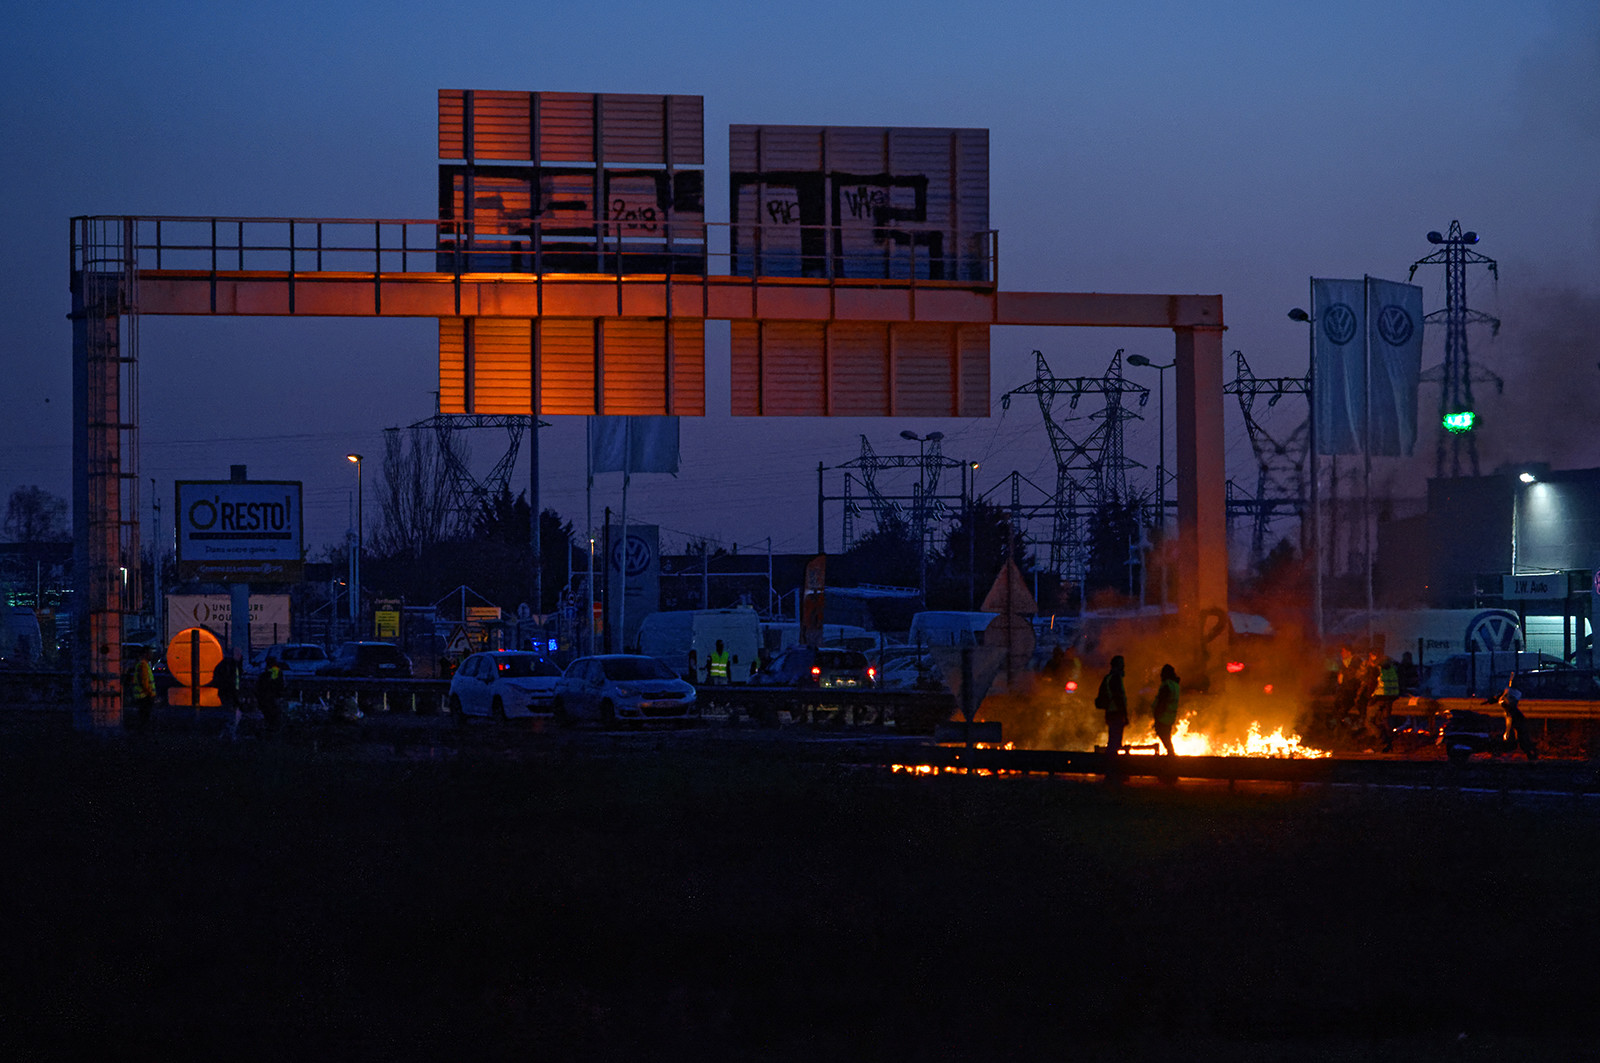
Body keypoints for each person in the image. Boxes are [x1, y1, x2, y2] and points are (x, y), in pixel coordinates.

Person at [1497, 674, 1537, 761]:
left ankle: (1529, 752)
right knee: (1517, 736)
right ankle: (1529, 751)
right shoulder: (1509, 692)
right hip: (1513, 716)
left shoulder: (1515, 693)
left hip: (1515, 717)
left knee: (1518, 736)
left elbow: (1508, 702)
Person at [1095, 654, 1129, 754]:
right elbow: (1118, 698)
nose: (1123, 666)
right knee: (1114, 742)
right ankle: (1111, 763)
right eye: (1121, 664)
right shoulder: (1115, 678)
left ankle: (1111, 761)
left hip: (1111, 712)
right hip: (1116, 712)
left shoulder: (1109, 677)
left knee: (1114, 740)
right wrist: (1124, 714)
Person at [215, 649, 245, 740]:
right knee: (231, 714)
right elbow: (233, 681)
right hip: (229, 693)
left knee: (232, 713)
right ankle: (229, 733)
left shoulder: (232, 665)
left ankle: (226, 733)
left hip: (229, 692)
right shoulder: (230, 666)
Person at [1151, 663, 1180, 756]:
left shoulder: (1166, 685)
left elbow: (1162, 701)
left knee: (1163, 734)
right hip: (1170, 716)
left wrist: (1157, 714)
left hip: (1163, 715)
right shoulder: (1175, 685)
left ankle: (1171, 754)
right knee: (1166, 735)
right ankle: (1171, 753)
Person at [127, 645, 158, 731]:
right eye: (150, 653)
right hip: (144, 697)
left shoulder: (143, 665)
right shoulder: (143, 665)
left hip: (143, 696)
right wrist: (151, 694)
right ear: (145, 654)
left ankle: (142, 734)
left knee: (143, 718)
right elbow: (144, 682)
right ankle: (143, 735)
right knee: (144, 718)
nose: (151, 655)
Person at [256, 655, 286, 735]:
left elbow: (259, 687)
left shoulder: (264, 674)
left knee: (269, 717)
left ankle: (269, 731)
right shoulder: (277, 672)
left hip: (266, 698)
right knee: (274, 717)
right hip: (273, 698)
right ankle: (273, 732)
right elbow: (280, 685)